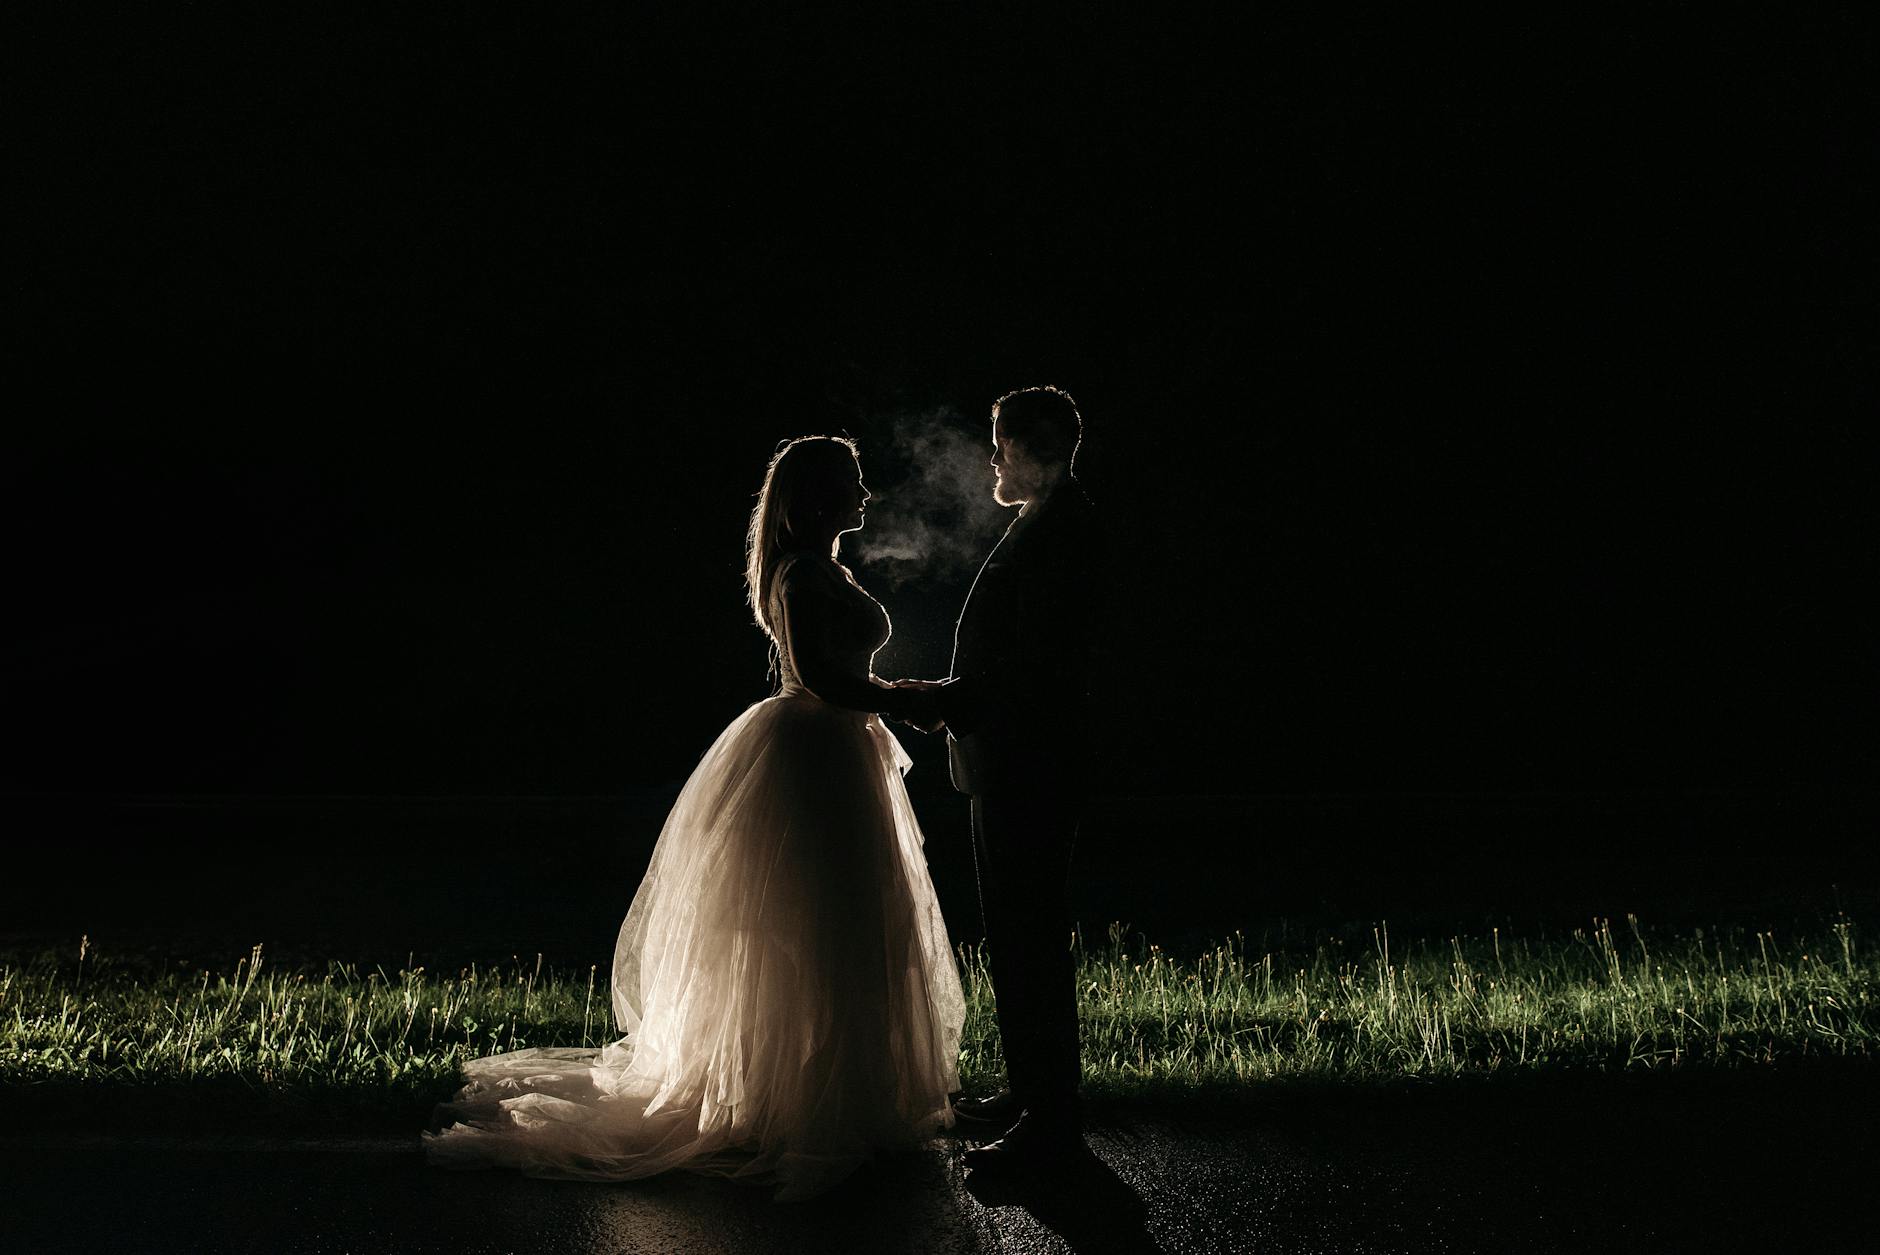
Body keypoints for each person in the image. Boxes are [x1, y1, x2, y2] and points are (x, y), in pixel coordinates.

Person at [423, 436, 965, 1202]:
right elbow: (820, 677)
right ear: (816, 497)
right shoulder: (804, 573)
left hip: (839, 754)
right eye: (852, 482)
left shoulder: (822, 568)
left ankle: (833, 1092)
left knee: (840, 930)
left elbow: (843, 676)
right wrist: (911, 697)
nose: (867, 494)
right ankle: (801, 1104)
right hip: (815, 760)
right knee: (820, 927)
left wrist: (898, 695)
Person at [892, 385, 1104, 1175]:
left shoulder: (1065, 531)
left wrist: (945, 699)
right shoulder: (1044, 524)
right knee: (1016, 936)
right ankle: (1030, 1096)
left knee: (1030, 939)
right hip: (1011, 758)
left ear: (1031, 448)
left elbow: (1034, 667)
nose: (991, 459)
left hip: (1031, 762)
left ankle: (1050, 1124)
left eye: (1001, 443)